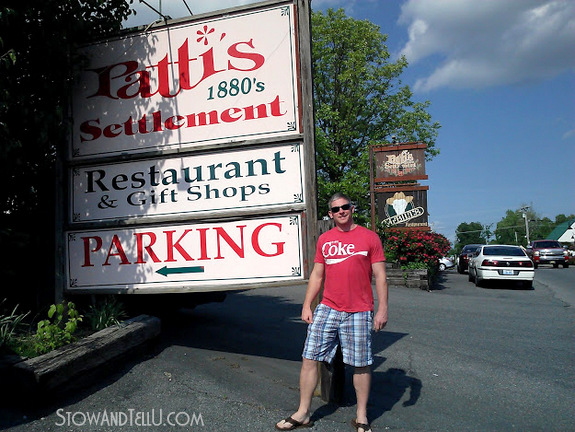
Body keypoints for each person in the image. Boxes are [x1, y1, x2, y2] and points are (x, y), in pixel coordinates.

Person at [275, 193, 389, 432]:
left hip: (359, 311)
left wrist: (382, 309)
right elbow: (317, 275)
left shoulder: (370, 238)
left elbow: (380, 276)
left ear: (352, 208)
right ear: (330, 214)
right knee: (309, 358)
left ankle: (361, 417)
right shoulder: (325, 239)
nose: (341, 211)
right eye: (336, 209)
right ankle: (303, 412)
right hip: (327, 307)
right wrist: (307, 305)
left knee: (361, 364)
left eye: (345, 207)